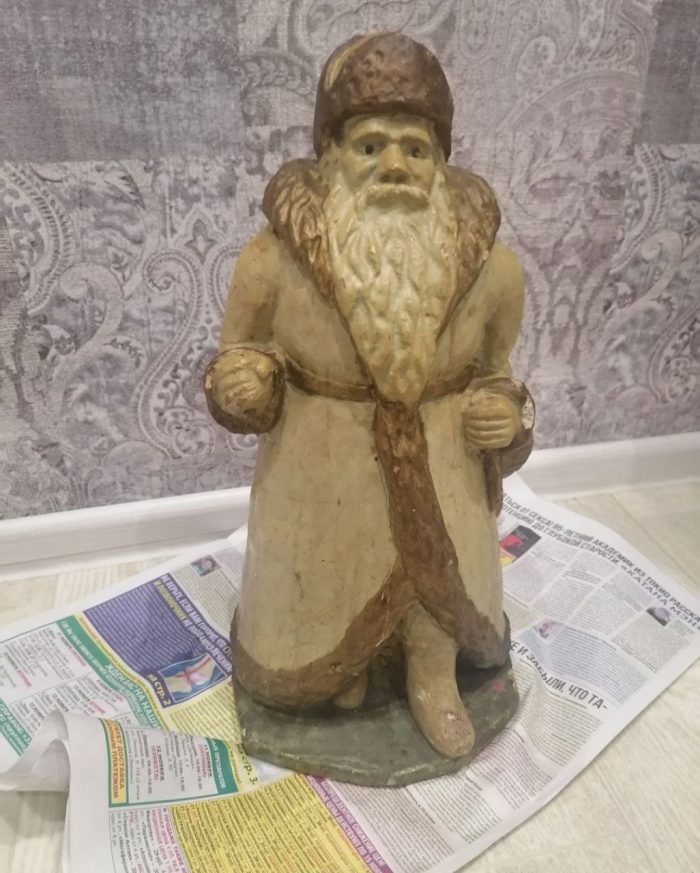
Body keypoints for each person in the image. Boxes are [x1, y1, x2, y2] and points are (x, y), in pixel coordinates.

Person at [205, 32, 534, 759]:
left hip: (444, 466)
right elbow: (237, 353)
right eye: (370, 146)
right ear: (330, 157)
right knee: (321, 596)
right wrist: (243, 382)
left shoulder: (493, 270)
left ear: (441, 163)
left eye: (415, 148)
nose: (394, 165)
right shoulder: (271, 260)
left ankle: (432, 673)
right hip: (318, 477)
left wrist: (508, 415)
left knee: (440, 591)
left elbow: (501, 372)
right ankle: (335, 674)